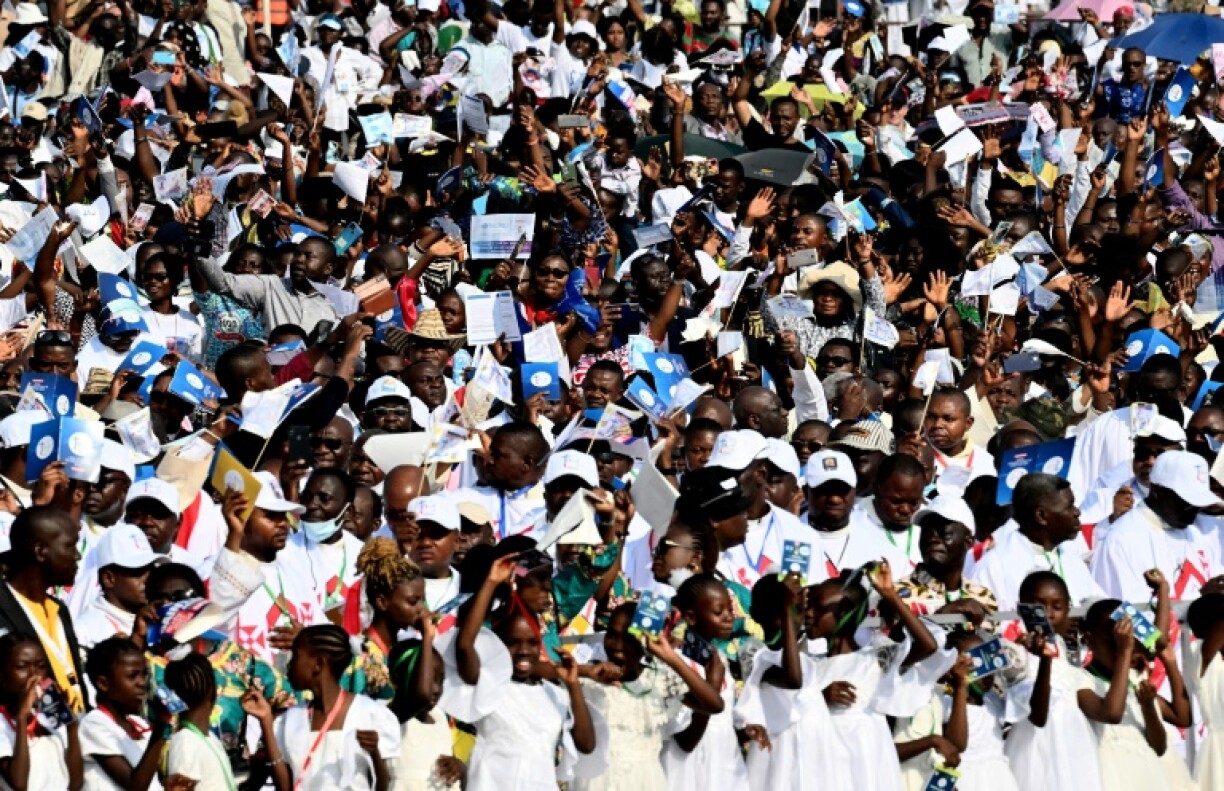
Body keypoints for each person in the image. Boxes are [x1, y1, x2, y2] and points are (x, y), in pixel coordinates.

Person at [274, 624, 401, 789]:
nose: (289, 665)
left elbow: (385, 785)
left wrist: (374, 753)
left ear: (318, 664)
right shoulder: (289, 720)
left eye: (296, 657)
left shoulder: (370, 714)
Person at [970, 474, 1104, 610]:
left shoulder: (1071, 560)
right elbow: (982, 625)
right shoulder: (994, 565)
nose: (1077, 512)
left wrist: (1124, 616)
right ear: (1041, 516)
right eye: (1069, 506)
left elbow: (1103, 606)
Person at [0, 507, 87, 713]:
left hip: (74, 735)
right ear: (40, 551)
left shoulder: (59, 609)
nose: (77, 556)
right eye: (69, 546)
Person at [78, 637, 168, 791]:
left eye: (144, 675)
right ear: (103, 684)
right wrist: (160, 728)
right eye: (132, 676)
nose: (142, 683)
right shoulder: (93, 724)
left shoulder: (139, 723)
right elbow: (135, 786)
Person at [0, 632, 83, 791]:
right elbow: (19, 784)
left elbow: (75, 783)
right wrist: (22, 719)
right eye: (22, 667)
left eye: (41, 666)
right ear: (2, 677)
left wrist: (71, 725)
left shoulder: (49, 716)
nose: (34, 675)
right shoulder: (2, 723)